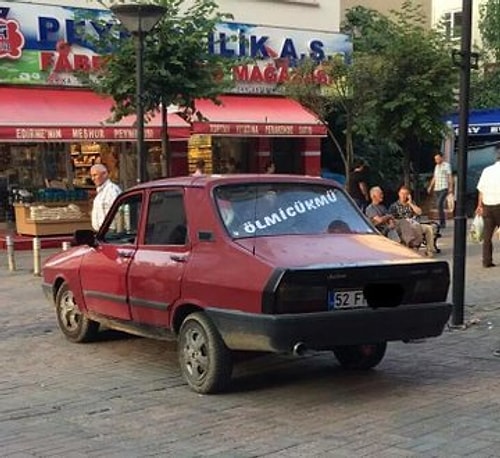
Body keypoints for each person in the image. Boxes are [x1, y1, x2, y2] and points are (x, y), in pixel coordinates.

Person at [389, 185, 435, 257]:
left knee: (428, 228)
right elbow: (392, 218)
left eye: (406, 194)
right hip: (403, 226)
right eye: (402, 193)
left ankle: (430, 250)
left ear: (408, 195)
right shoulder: (394, 206)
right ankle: (414, 248)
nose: (403, 196)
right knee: (412, 227)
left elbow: (419, 212)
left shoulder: (411, 203)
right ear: (399, 194)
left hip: (414, 223)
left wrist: (410, 203)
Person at [476, 146, 500, 268]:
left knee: (487, 235)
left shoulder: (486, 170)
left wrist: (479, 205)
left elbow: (481, 189)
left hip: (488, 205)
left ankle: (487, 260)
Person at [90, 164, 122, 232]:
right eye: (92, 176)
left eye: (95, 175)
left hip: (111, 233)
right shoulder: (101, 192)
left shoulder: (112, 190)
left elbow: (118, 213)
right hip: (102, 233)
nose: (93, 179)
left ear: (104, 174)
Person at [427, 153, 453, 229]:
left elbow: (449, 176)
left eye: (438, 159)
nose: (436, 160)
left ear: (442, 158)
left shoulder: (446, 165)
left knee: (439, 204)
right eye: (435, 159)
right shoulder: (436, 167)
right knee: (439, 206)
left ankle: (442, 222)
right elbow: (434, 177)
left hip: (444, 187)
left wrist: (450, 187)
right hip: (437, 188)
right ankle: (442, 222)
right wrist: (430, 186)